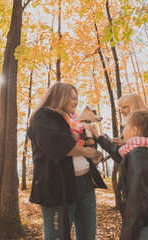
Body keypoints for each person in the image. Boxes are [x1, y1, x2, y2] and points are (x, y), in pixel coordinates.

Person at [27, 82, 106, 240]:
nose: (76, 102)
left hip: (85, 183)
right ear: (59, 96)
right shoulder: (42, 117)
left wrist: (94, 139)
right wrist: (86, 151)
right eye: (72, 98)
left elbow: (85, 141)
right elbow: (59, 144)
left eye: (77, 98)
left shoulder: (72, 119)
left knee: (88, 235)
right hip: (58, 186)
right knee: (58, 236)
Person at [90, 111, 148, 240]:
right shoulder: (141, 151)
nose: (123, 132)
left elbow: (137, 199)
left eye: (125, 127)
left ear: (134, 130)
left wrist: (127, 234)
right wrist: (99, 138)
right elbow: (119, 153)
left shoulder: (138, 155)